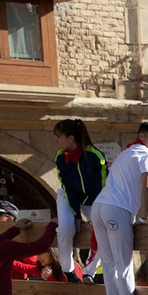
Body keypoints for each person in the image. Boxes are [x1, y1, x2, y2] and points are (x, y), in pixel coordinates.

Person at [92, 122, 148, 295]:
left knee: (109, 264)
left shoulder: (125, 153)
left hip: (100, 207)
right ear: (141, 136)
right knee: (123, 265)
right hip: (118, 209)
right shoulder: (145, 154)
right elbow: (147, 185)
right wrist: (142, 217)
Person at [53, 118, 107, 284]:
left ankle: (90, 271)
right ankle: (68, 270)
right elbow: (68, 187)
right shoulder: (60, 158)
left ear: (70, 138)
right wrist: (76, 215)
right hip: (69, 197)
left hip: (95, 199)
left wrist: (96, 216)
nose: (57, 141)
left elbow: (102, 188)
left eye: (59, 136)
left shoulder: (95, 156)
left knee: (104, 229)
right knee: (65, 229)